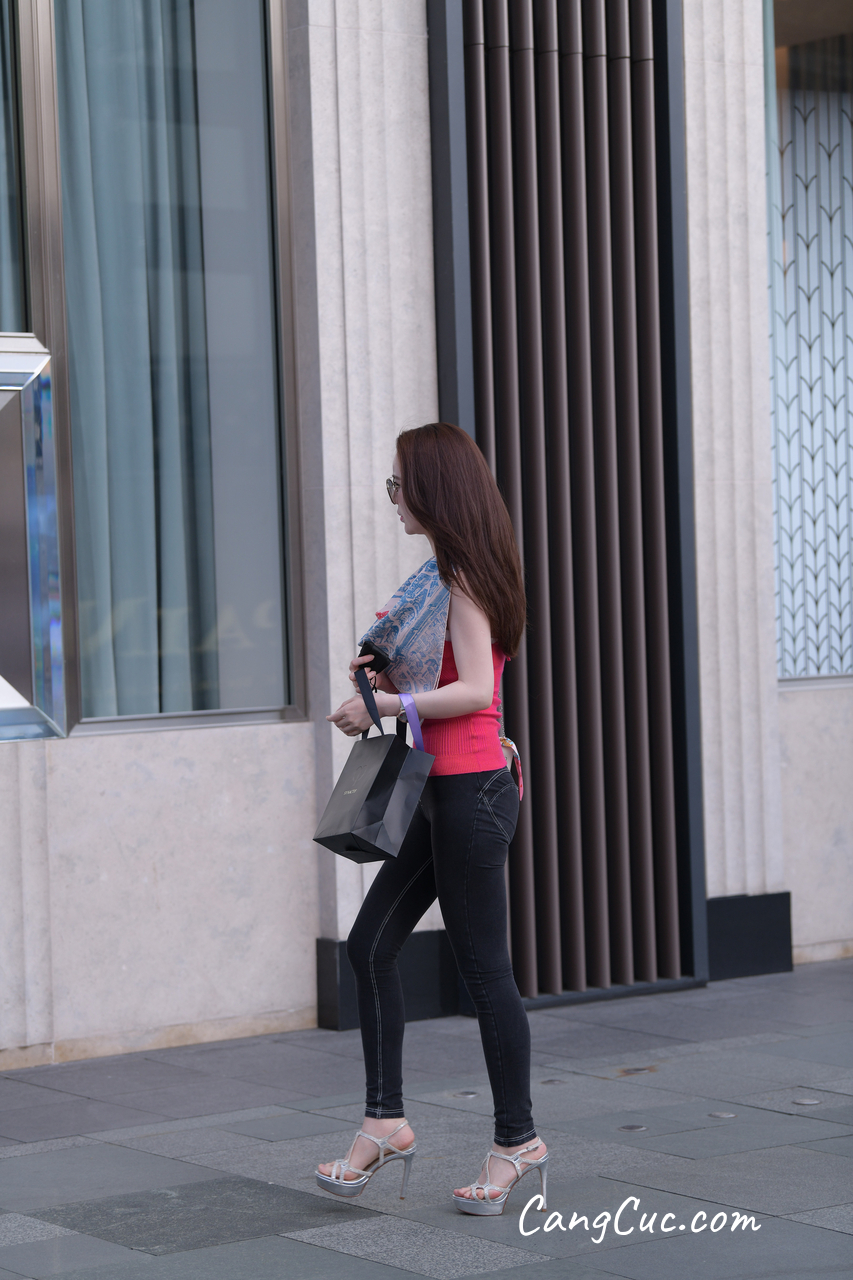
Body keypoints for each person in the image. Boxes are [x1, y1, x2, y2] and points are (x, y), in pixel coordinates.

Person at [315, 422, 548, 1216]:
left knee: (483, 972)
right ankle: (385, 1123)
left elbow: (477, 689)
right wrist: (384, 674)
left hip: (473, 791)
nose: (392, 498)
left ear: (432, 489)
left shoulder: (466, 579)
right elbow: (441, 672)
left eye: (398, 484)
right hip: (434, 786)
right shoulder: (436, 578)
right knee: (369, 945)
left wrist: (381, 704)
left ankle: (517, 1142)